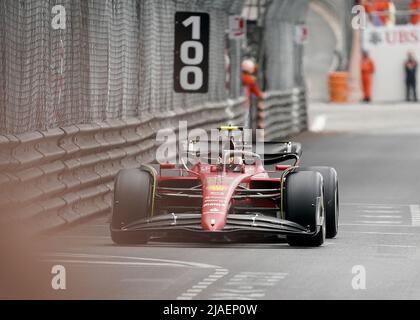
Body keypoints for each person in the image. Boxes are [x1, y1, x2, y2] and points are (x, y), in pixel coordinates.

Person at [242, 59, 263, 128]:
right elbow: (258, 93)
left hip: (240, 103)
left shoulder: (239, 77)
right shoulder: (250, 79)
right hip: (246, 103)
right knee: (245, 122)